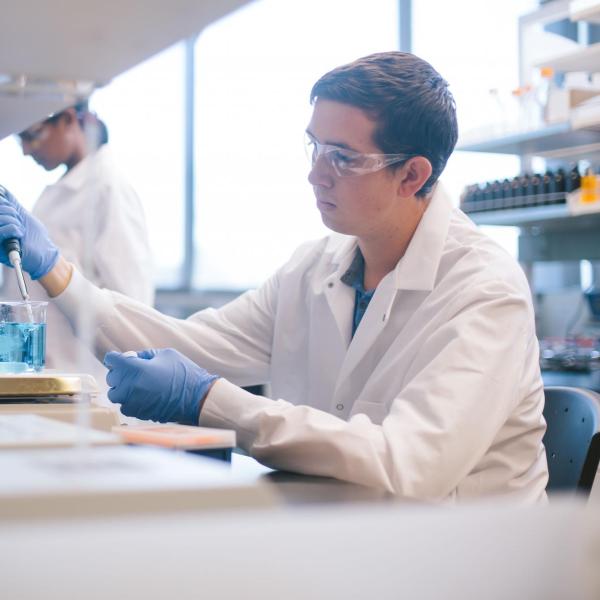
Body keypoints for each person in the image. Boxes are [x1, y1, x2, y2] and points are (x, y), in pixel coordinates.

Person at [0, 52, 548, 502]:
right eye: (314, 146)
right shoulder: (315, 268)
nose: (314, 173)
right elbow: (187, 346)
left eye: (342, 157)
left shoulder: (483, 292)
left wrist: (211, 401)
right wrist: (57, 271)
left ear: (413, 174)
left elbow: (405, 464)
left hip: (469, 562)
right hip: (347, 540)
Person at [2, 100, 153, 388]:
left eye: (32, 135)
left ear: (69, 120)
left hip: (87, 388)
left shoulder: (110, 189)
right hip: (44, 382)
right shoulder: (57, 193)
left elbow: (133, 306)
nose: (26, 149)